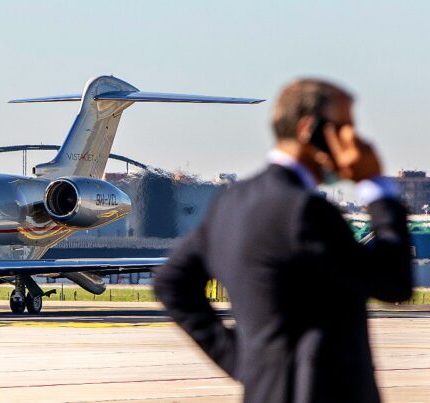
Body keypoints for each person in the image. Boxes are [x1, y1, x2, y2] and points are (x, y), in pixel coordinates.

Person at [154, 79, 413, 403]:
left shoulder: (230, 203)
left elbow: (171, 282)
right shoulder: (306, 211)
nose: (356, 141)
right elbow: (394, 283)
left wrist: (242, 360)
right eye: (344, 127)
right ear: (309, 129)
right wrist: (376, 188)